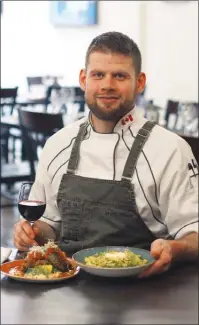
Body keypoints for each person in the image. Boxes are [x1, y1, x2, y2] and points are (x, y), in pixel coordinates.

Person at [14, 31, 198, 278]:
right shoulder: (57, 144)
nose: (107, 85)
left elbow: (194, 235)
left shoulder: (170, 150)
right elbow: (49, 225)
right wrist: (31, 233)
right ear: (83, 78)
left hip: (143, 294)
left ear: (140, 82)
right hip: (64, 291)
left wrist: (174, 249)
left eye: (120, 76)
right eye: (98, 74)